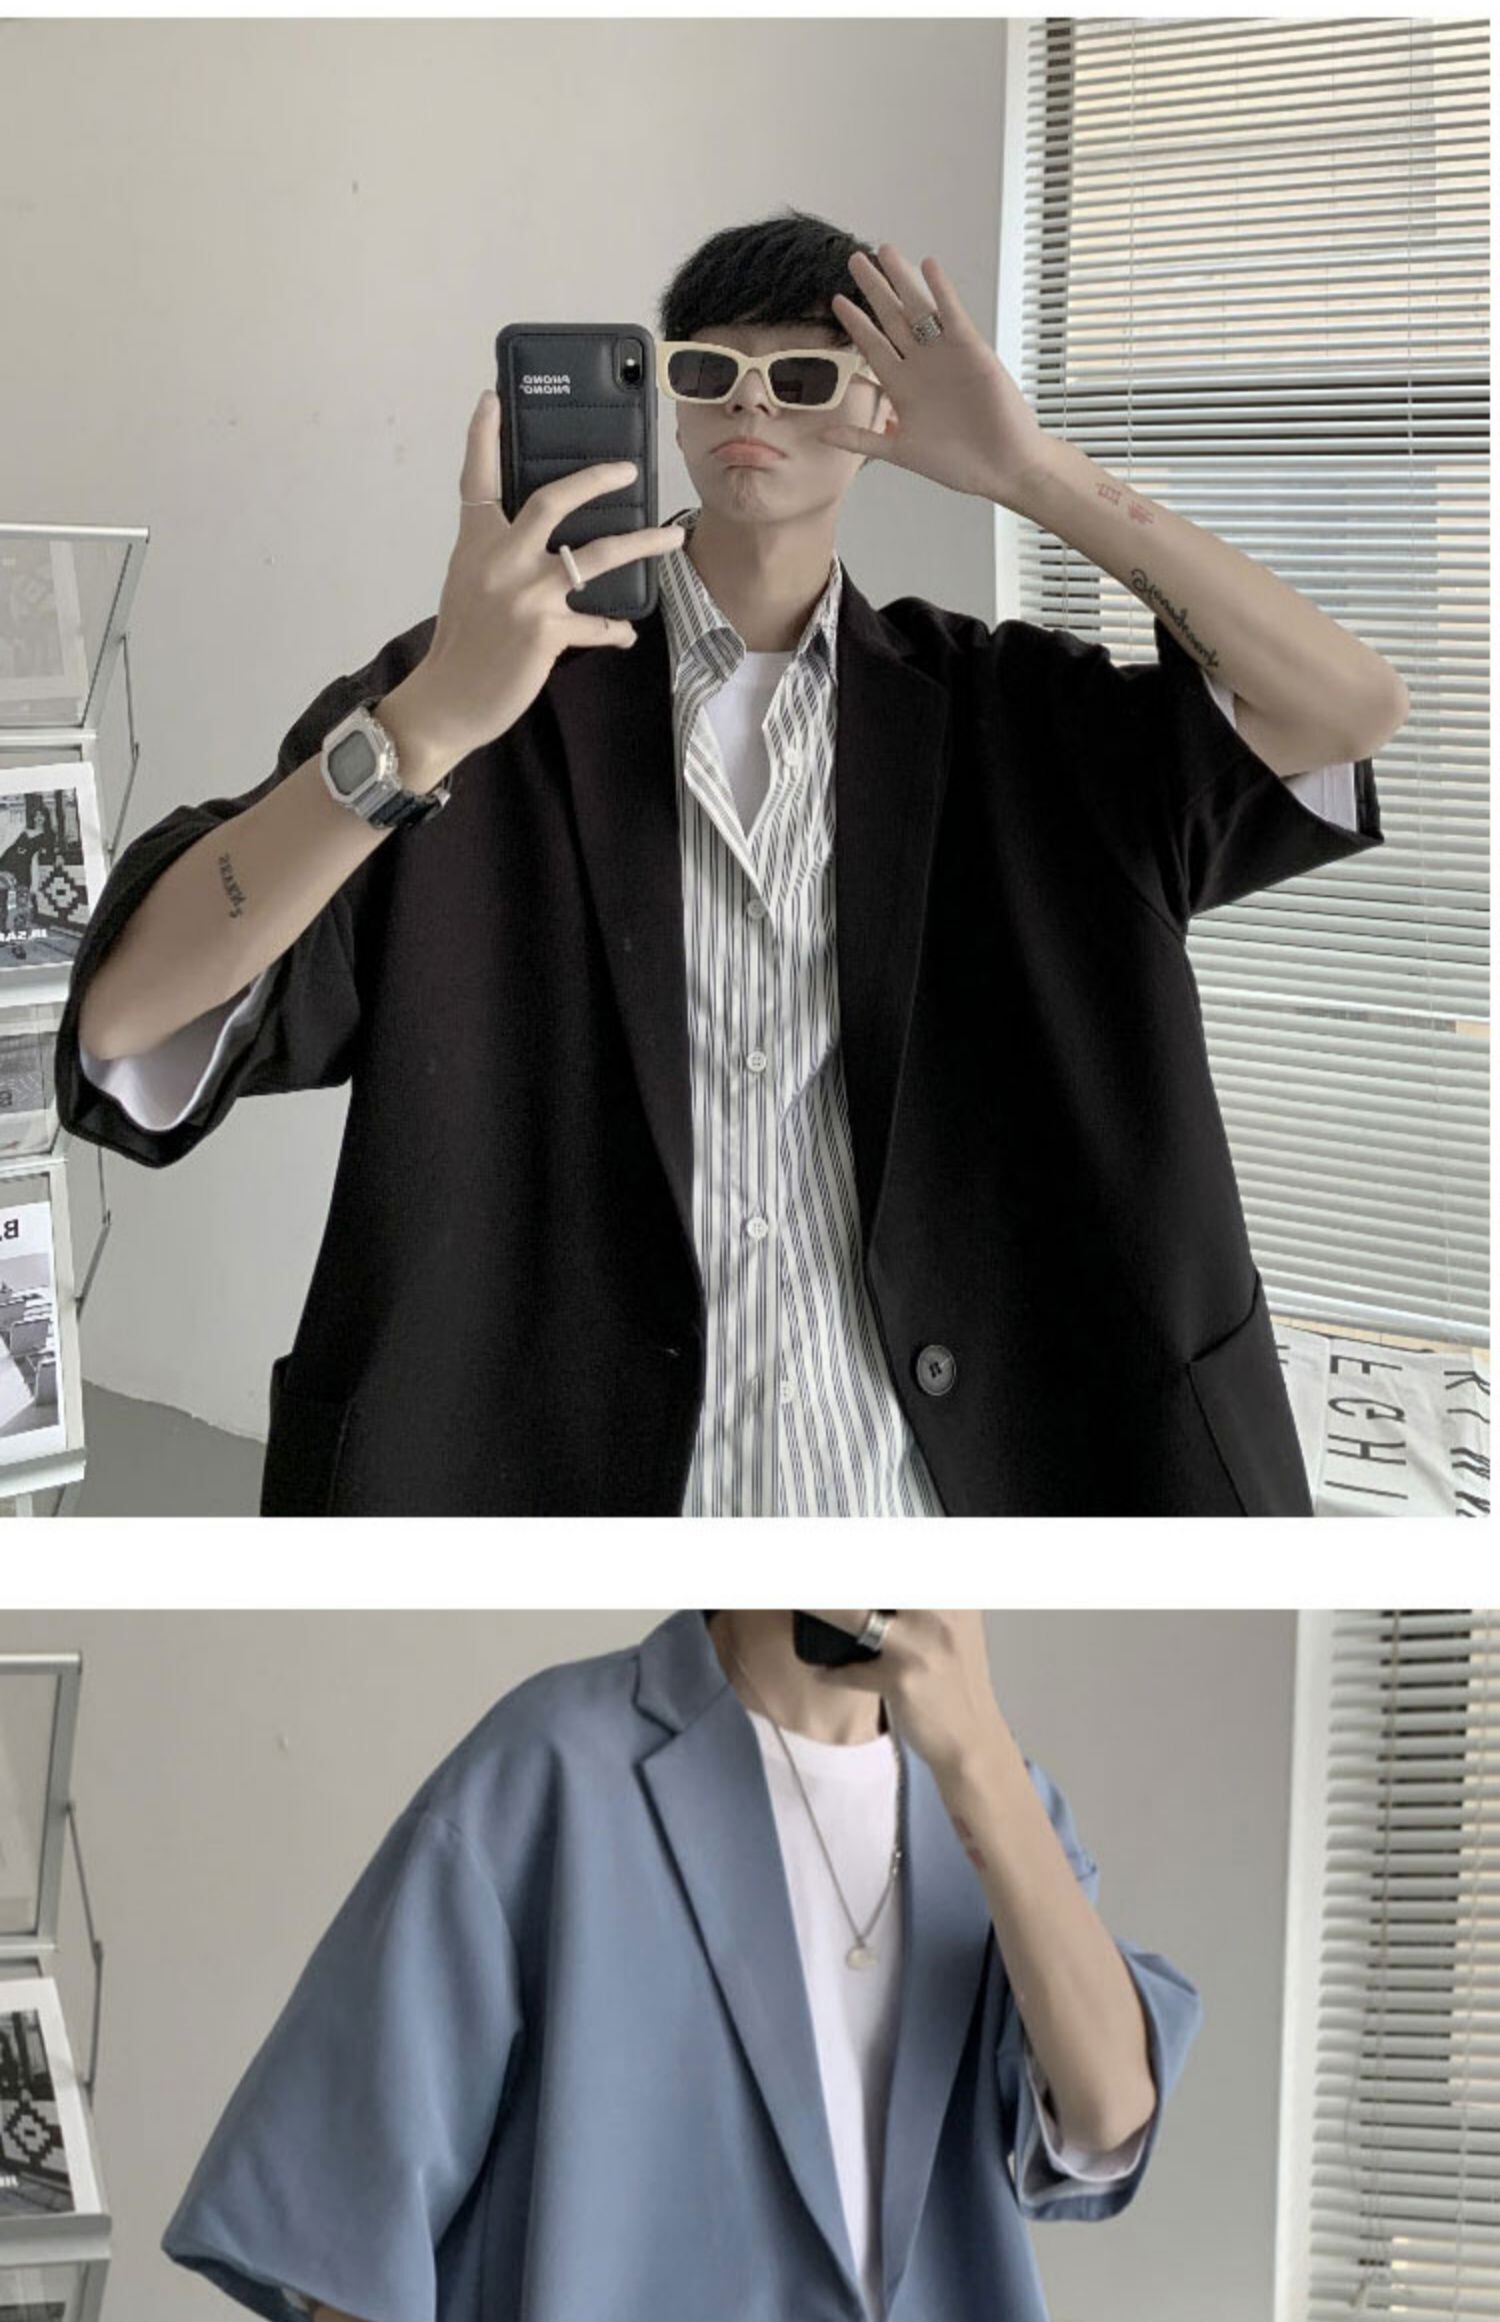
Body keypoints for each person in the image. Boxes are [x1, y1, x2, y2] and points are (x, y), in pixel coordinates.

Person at [53, 208, 1403, 1517]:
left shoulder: (1011, 717)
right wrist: (428, 723)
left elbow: (1342, 711)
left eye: (803, 375)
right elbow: (128, 1021)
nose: (753, 399)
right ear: (672, 406)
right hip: (557, 1489)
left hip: (958, 1486)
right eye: (708, 371)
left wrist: (1031, 472)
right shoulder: (473, 693)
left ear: (878, 411)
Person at [159, 1608, 1205, 2322]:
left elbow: (1110, 2113)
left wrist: (978, 1757)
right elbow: (344, 2220)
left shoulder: (1002, 1809)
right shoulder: (557, 1769)